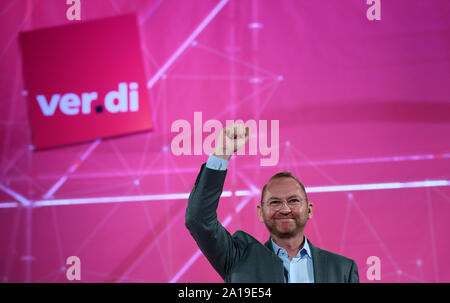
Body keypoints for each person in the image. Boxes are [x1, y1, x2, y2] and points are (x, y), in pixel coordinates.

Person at [185, 123, 359, 283]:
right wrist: (222, 153)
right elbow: (198, 219)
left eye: (293, 201)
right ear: (261, 212)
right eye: (275, 202)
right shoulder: (239, 258)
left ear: (309, 210)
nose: (285, 209)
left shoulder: (343, 270)